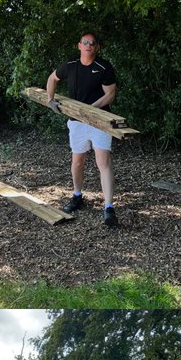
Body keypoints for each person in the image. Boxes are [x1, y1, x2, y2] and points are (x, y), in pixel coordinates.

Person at [46, 30, 119, 227]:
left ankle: (109, 208)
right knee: (77, 161)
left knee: (103, 162)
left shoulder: (103, 67)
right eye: (85, 42)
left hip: (99, 122)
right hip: (76, 122)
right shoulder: (70, 65)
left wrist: (90, 110)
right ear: (79, 45)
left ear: (97, 47)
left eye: (92, 43)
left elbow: (110, 94)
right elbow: (52, 78)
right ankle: (77, 196)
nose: (88, 45)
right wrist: (50, 100)